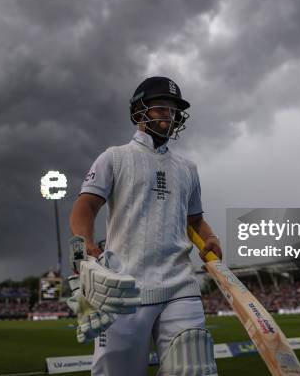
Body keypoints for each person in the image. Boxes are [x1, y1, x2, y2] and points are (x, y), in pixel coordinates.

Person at [69, 76, 222, 376]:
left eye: (174, 110)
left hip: (181, 286)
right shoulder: (114, 157)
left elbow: (195, 220)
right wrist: (83, 242)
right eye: (162, 108)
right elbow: (85, 206)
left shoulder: (188, 169)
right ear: (140, 111)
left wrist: (210, 238)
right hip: (123, 290)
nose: (171, 115)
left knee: (194, 369)